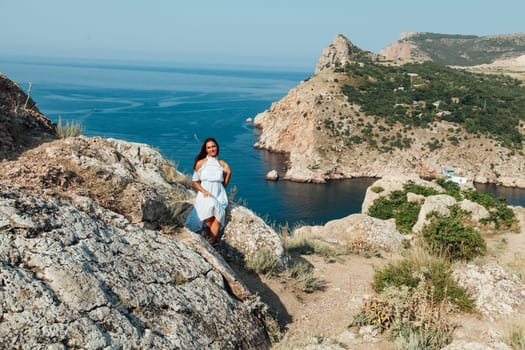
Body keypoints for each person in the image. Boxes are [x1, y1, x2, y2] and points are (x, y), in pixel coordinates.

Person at [184, 137, 232, 244]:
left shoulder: (222, 164)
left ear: (217, 148)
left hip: (219, 194)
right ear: (206, 150)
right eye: (209, 147)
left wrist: (223, 186)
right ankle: (213, 238)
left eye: (213, 146)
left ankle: (212, 241)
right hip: (205, 193)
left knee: (218, 216)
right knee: (210, 213)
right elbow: (195, 181)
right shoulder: (200, 163)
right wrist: (204, 191)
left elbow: (228, 174)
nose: (212, 149)